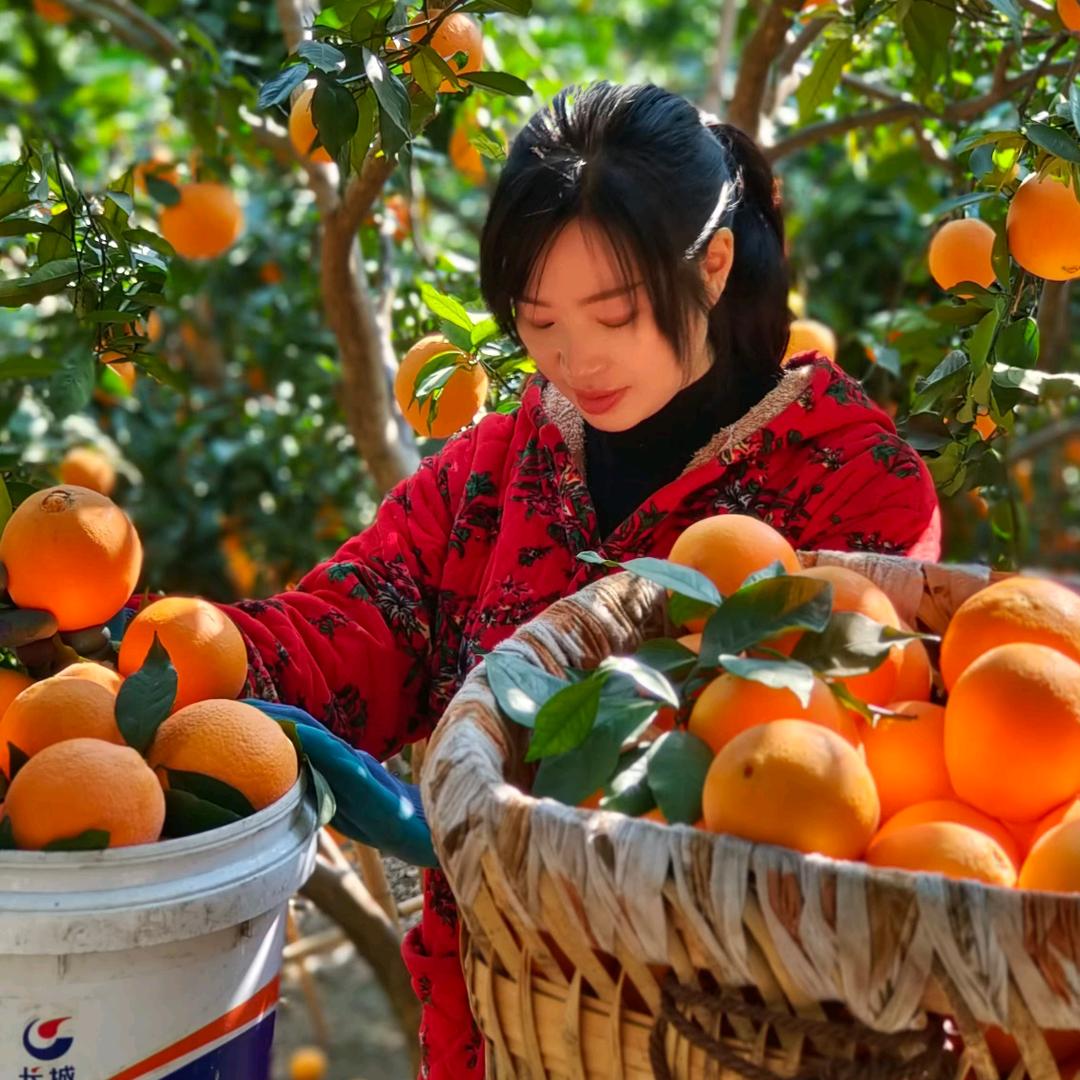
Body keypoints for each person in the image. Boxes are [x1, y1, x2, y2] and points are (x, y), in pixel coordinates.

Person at [1, 81, 940, 1077]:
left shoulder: (855, 489)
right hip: (500, 1031)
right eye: (539, 321)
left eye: (613, 314)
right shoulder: (501, 468)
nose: (575, 359)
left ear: (711, 266)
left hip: (729, 1038)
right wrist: (109, 640)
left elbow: (853, 776)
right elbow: (344, 634)